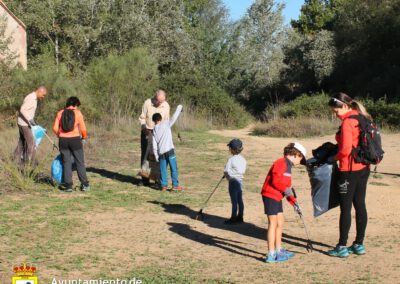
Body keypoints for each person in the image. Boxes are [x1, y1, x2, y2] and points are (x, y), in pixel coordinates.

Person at [327, 92, 371, 257]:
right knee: (360, 205)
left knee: (345, 209)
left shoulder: (347, 123)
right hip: (363, 168)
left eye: (336, 111)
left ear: (345, 106)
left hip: (348, 170)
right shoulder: (362, 117)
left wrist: (333, 158)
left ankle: (341, 246)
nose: (335, 114)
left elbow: (345, 150)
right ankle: (359, 244)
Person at [261, 142, 306, 263]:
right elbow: (276, 180)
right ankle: (271, 254)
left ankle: (279, 249)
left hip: (277, 197)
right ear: (296, 154)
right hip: (270, 195)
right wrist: (287, 190)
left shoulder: (289, 166)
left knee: (280, 222)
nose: (300, 162)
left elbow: (287, 187)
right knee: (273, 223)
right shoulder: (281, 162)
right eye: (301, 158)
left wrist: (294, 203)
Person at [53, 96, 89, 192]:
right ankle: (84, 184)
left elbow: (55, 128)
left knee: (66, 162)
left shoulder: (60, 113)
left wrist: (59, 135)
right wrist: (84, 137)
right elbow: (83, 129)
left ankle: (68, 186)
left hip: (63, 141)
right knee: (79, 162)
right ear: (75, 105)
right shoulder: (78, 113)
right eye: (77, 106)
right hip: (75, 140)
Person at [138, 89, 170, 185]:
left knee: (159, 156)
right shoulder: (147, 103)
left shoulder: (166, 106)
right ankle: (145, 180)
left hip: (160, 133)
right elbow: (142, 117)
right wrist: (144, 128)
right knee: (145, 157)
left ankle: (158, 179)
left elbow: (166, 122)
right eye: (158, 101)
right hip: (147, 131)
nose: (159, 103)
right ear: (155, 97)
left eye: (161, 101)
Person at [14, 86, 48, 169]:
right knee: (31, 143)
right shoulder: (31, 98)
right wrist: (30, 119)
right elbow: (22, 109)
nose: (43, 97)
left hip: (24, 123)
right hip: (24, 124)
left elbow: (27, 111)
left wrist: (32, 121)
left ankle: (16, 160)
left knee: (22, 142)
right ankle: (32, 164)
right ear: (39, 91)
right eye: (43, 95)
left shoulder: (34, 98)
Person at [152, 104, 183, 191]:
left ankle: (163, 186)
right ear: (160, 119)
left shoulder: (154, 130)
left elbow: (154, 145)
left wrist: (156, 155)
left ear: (154, 121)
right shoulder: (166, 124)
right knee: (173, 168)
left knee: (163, 170)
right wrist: (179, 107)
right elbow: (174, 117)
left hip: (161, 153)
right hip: (169, 150)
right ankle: (175, 186)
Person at [223, 139, 247, 224]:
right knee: (240, 200)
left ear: (232, 149)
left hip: (233, 182)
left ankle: (233, 218)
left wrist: (229, 178)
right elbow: (242, 170)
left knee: (234, 201)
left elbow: (226, 171)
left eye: (229, 148)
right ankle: (240, 217)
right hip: (240, 181)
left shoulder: (231, 159)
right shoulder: (243, 159)